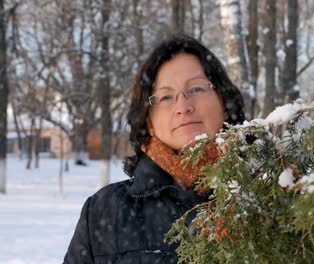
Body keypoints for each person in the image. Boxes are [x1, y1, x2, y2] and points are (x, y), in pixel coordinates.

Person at [63, 34, 245, 263]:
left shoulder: (271, 202)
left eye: (197, 89)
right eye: (166, 97)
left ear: (225, 104)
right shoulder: (105, 211)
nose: (183, 106)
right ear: (148, 121)